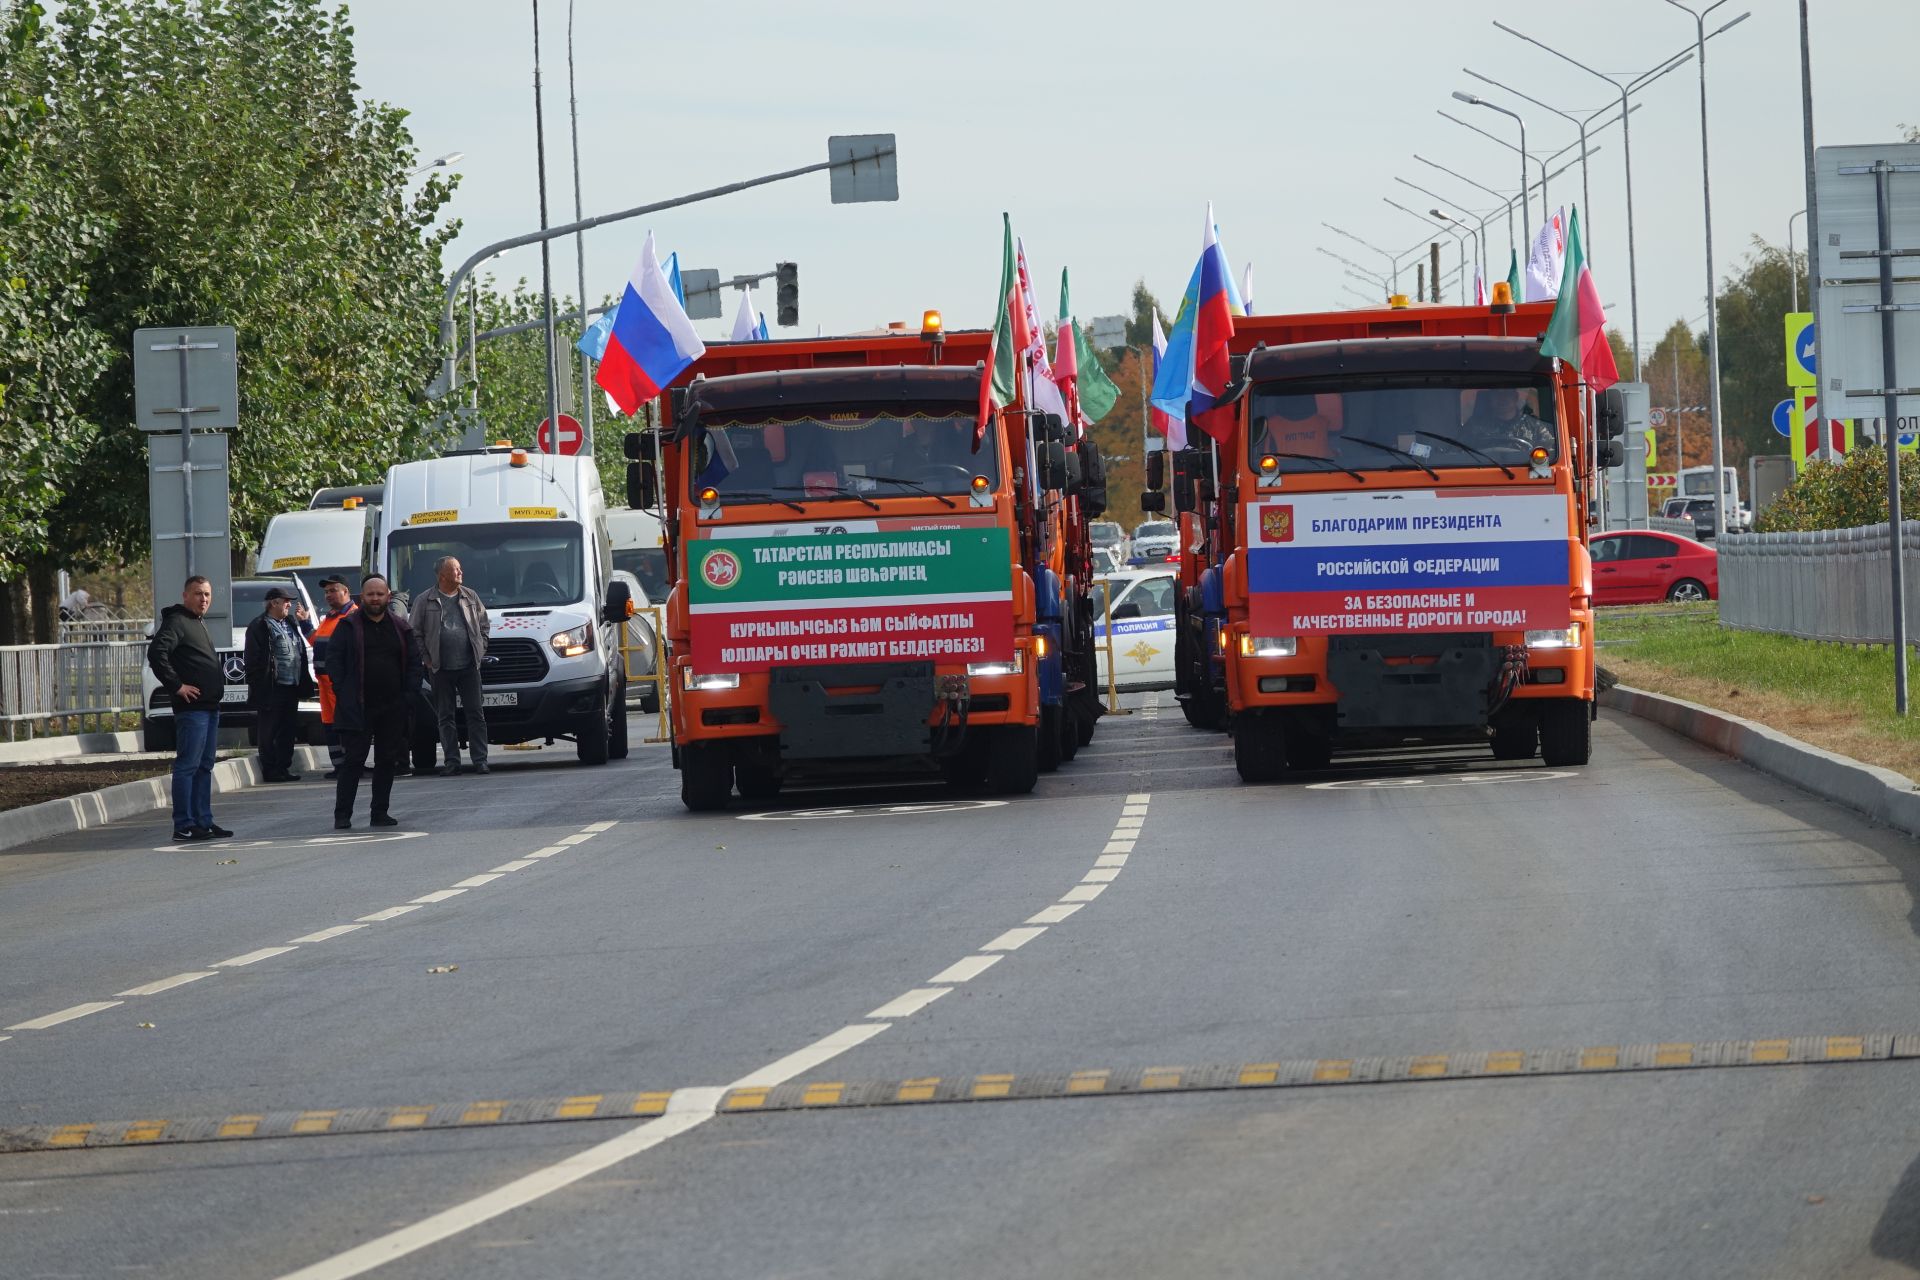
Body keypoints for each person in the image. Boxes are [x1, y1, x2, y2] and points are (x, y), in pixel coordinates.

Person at [328, 575, 422, 830]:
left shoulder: (401, 627)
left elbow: (414, 663)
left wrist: (408, 695)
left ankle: (379, 813)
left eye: (380, 594)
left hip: (392, 706)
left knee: (386, 761)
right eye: (370, 594)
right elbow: (333, 660)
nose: (375, 599)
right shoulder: (348, 626)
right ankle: (342, 815)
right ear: (362, 596)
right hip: (358, 706)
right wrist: (342, 690)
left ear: (388, 597)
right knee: (353, 761)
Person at [146, 576, 232, 842]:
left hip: (209, 708)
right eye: (197, 594)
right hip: (191, 709)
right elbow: (156, 653)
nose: (203, 599)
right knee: (188, 766)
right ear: (185, 595)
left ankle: (203, 821)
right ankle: (184, 825)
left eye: (207, 594)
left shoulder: (197, 622)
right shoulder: (177, 621)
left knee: (204, 766)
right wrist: (177, 686)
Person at [410, 556, 491, 776]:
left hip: (468, 667)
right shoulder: (424, 600)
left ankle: (480, 760)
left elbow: (484, 625)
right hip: (440, 668)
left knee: (476, 714)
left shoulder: (470, 596)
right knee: (445, 717)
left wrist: (480, 648)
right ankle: (452, 762)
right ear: (442, 575)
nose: (460, 572)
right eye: (455, 569)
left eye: (459, 568)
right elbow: (415, 632)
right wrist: (427, 658)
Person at [244, 585, 315, 782]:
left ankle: (283, 768)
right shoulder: (259, 625)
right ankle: (271, 770)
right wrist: (259, 685)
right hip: (272, 688)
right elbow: (252, 660)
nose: (289, 605)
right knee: (269, 730)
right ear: (273, 603)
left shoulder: (290, 622)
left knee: (288, 729)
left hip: (291, 687)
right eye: (285, 601)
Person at [310, 576, 357, 780]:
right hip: (324, 685)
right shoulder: (329, 617)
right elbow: (316, 642)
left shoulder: (353, 616)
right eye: (326, 592)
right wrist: (304, 624)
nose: (328, 595)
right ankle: (339, 766)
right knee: (330, 726)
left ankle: (350, 765)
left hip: (341, 684)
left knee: (345, 726)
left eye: (333, 590)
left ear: (345, 591)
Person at [1463, 387, 1552, 451]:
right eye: (1497, 394)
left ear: (1515, 398)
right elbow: (1458, 452)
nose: (1502, 399)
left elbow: (1549, 454)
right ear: (1490, 399)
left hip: (1523, 472)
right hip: (1481, 472)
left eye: (1507, 394)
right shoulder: (1474, 425)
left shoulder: (1534, 425)